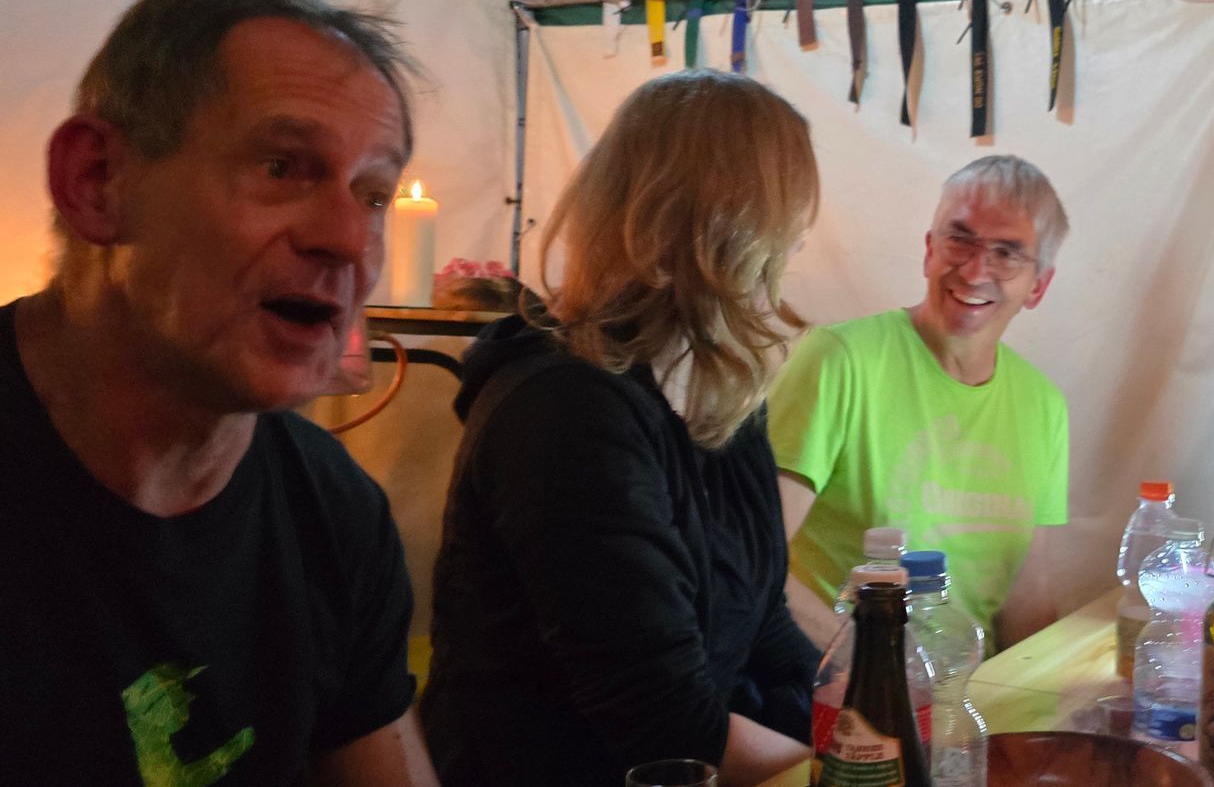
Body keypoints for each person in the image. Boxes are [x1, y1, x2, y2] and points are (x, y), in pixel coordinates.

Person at [0, 0, 434, 784]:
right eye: (282, 166)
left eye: (373, 195)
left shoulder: (334, 512)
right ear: (97, 182)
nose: (348, 240)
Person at [420, 70, 821, 787]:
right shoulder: (564, 409)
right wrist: (855, 767)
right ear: (722, 228)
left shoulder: (720, 386)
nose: (795, 248)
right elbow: (664, 721)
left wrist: (863, 705)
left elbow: (760, 621)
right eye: (786, 221)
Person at [769, 155, 1070, 652]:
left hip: (962, 691)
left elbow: (1028, 600)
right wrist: (866, 668)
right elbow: (753, 561)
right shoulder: (840, 359)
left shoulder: (1043, 406)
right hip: (835, 678)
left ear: (1038, 285)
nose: (975, 271)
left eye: (1006, 253)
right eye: (960, 240)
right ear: (930, 251)